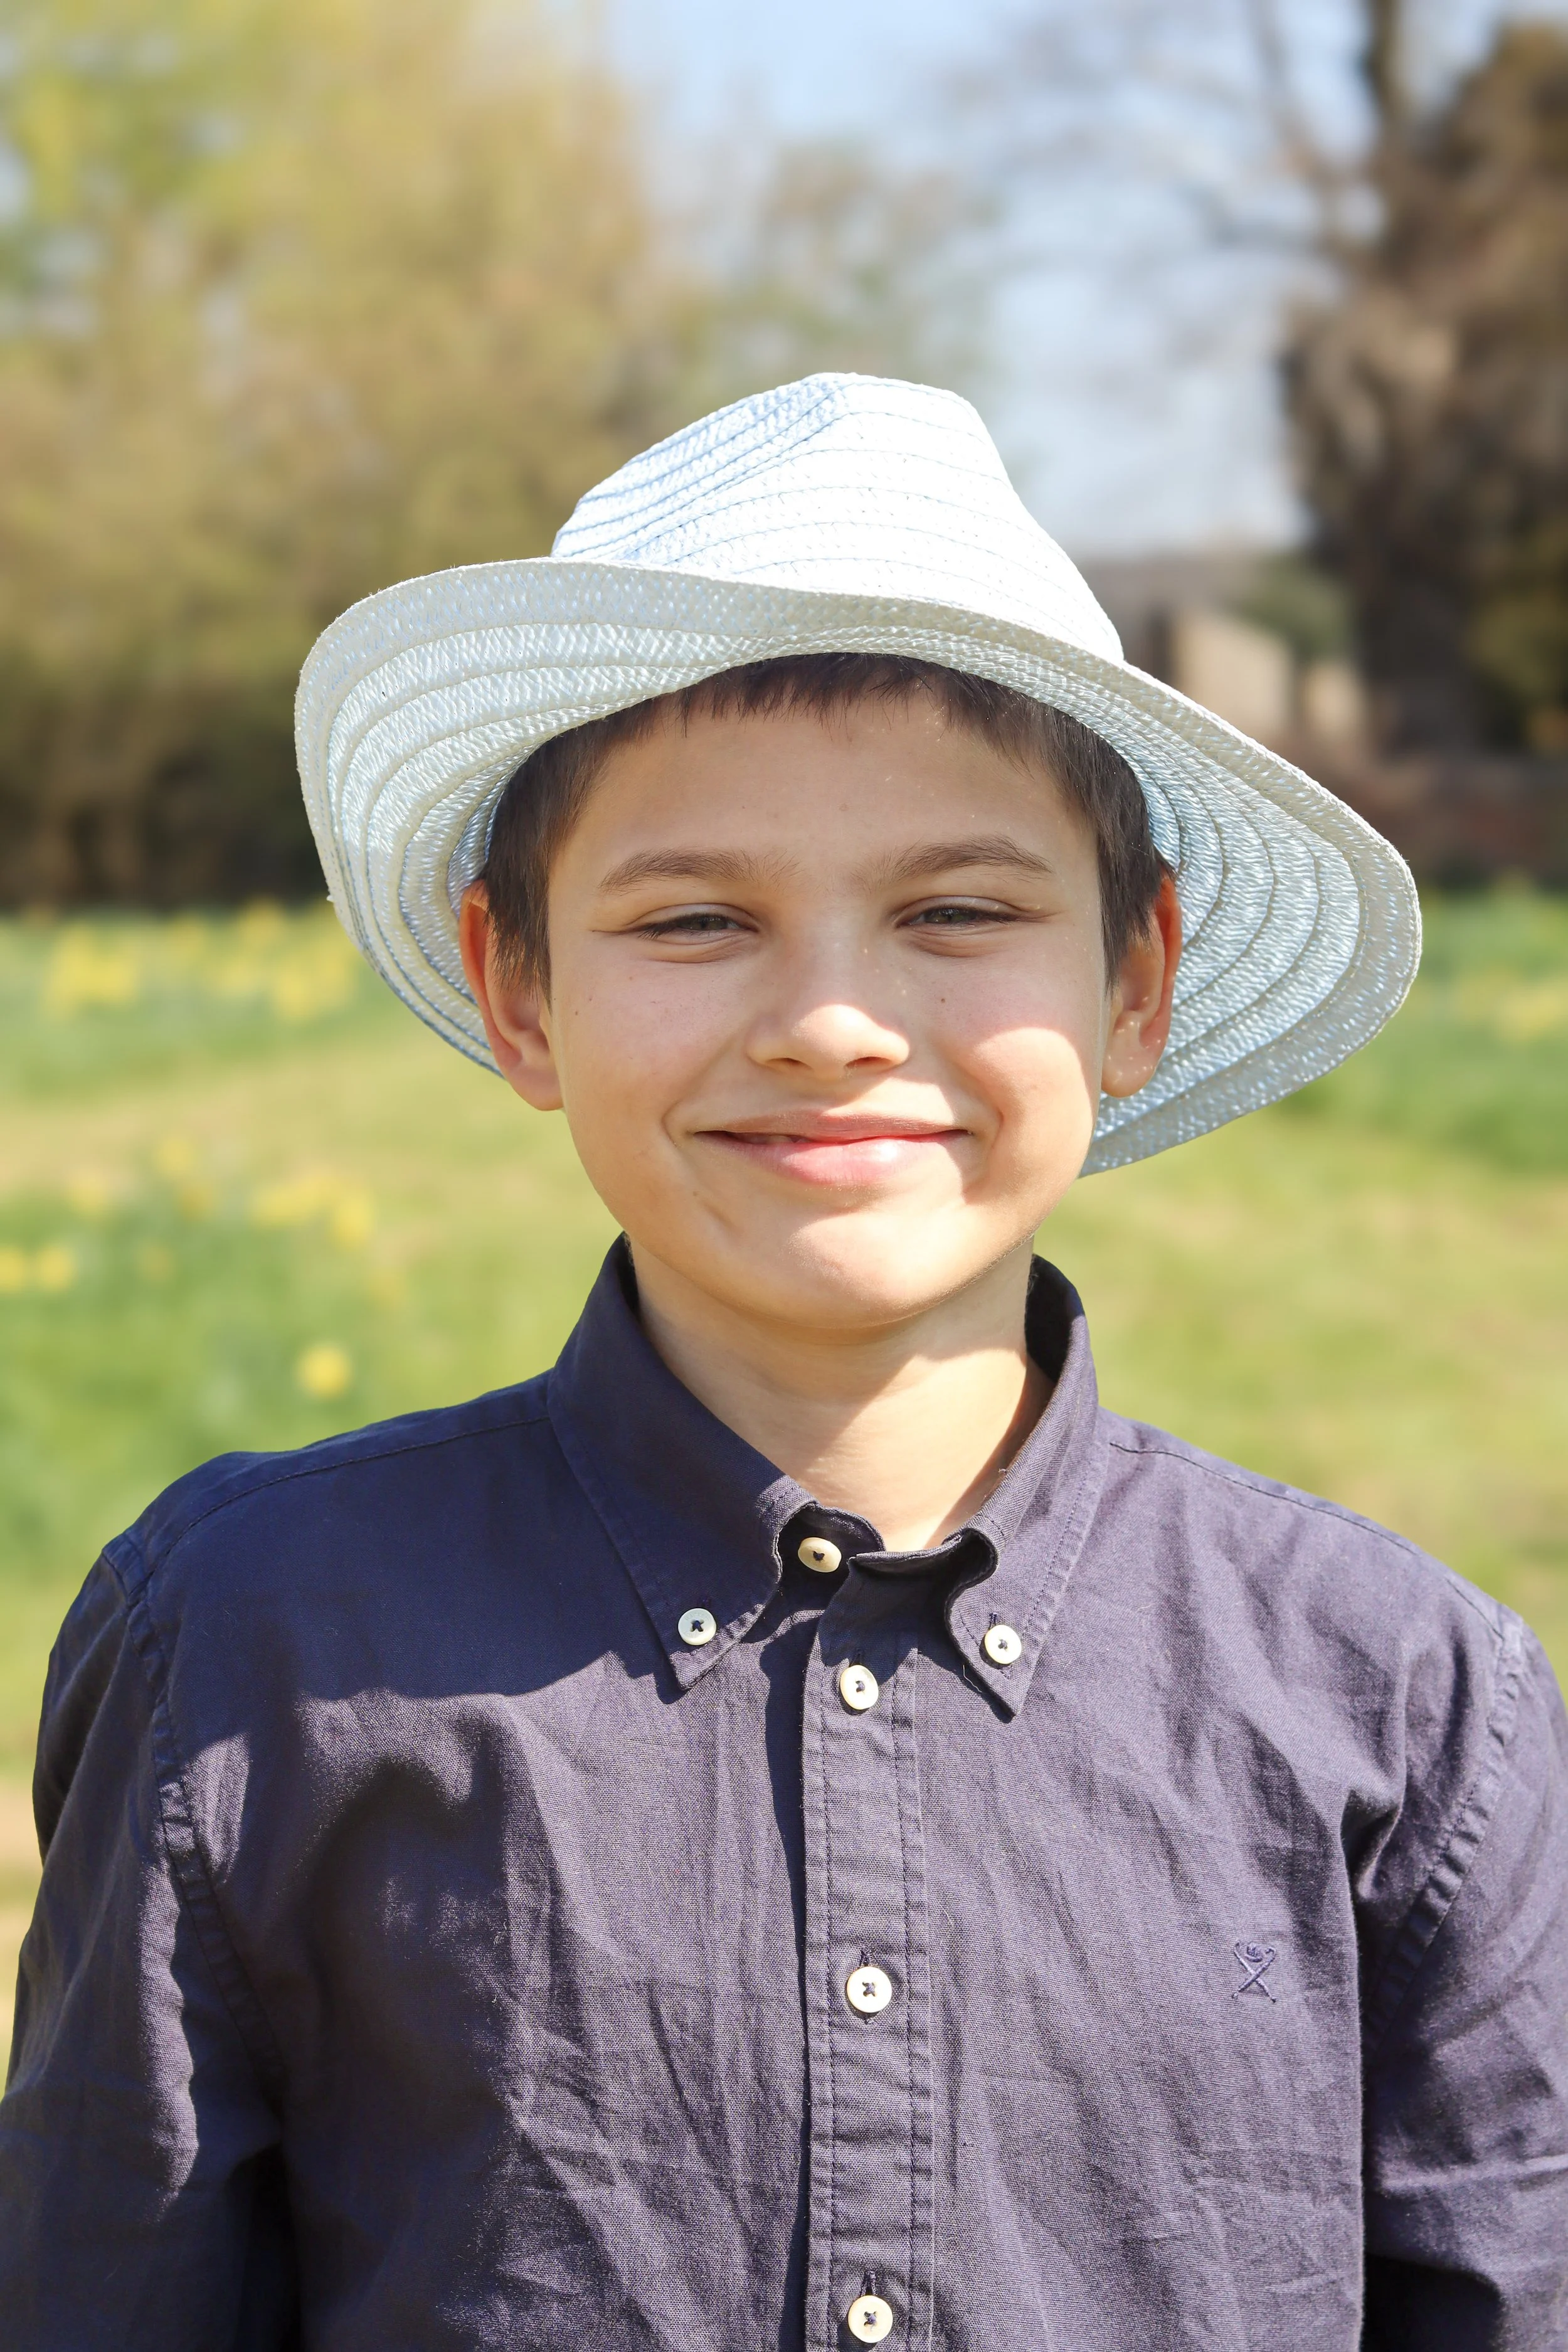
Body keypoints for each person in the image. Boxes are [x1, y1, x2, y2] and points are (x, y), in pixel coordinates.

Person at [3, 374, 1564, 2350]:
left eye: (957, 908)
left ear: (1136, 979)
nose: (831, 1020)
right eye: (696, 916)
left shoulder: (1405, 1701)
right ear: (518, 987)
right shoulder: (256, 1648)